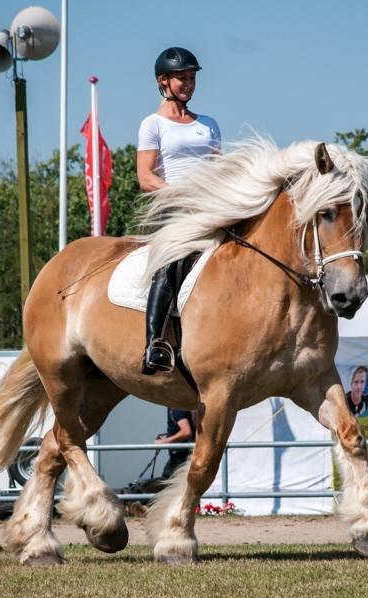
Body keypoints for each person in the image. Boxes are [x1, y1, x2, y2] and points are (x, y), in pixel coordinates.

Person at [137, 46, 221, 375]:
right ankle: (154, 343)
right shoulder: (152, 124)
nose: (188, 84)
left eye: (192, 78)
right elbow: (145, 177)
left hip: (210, 208)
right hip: (174, 209)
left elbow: (218, 170)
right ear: (163, 81)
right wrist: (182, 194)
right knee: (169, 265)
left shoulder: (209, 124)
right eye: (182, 78)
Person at [155, 408, 198, 479]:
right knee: (165, 481)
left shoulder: (176, 407)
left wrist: (164, 441)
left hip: (181, 456)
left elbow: (186, 432)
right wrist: (168, 437)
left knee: (166, 483)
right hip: (182, 454)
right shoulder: (181, 405)